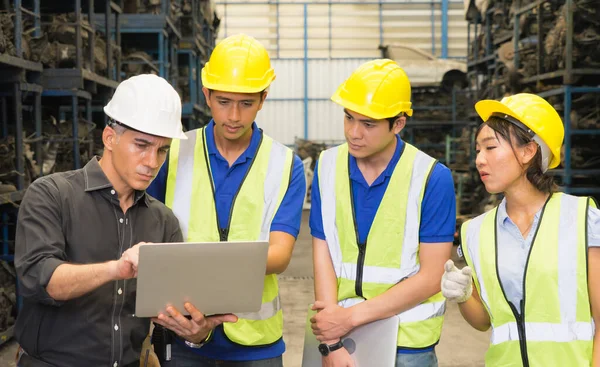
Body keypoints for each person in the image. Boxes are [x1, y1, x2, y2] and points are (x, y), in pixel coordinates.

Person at [146, 33, 306, 367]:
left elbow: (279, 255)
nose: (233, 116)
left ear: (263, 98)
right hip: (184, 331)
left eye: (246, 103)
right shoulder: (173, 153)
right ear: (206, 94)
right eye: (223, 101)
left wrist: (197, 265)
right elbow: (147, 237)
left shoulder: (284, 164)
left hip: (255, 343)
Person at [13, 74, 189, 367]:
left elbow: (168, 308)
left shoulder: (163, 221)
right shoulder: (51, 195)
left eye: (162, 150)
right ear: (110, 138)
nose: (152, 161)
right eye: (141, 145)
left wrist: (195, 329)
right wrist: (116, 269)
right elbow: (42, 280)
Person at [308, 59, 456, 367]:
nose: (354, 133)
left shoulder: (431, 177)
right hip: (342, 339)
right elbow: (323, 254)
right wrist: (331, 341)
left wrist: (347, 319)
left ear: (398, 123)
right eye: (348, 118)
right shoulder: (327, 165)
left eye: (369, 124)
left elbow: (431, 276)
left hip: (408, 344)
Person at [441, 93, 600, 366]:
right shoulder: (476, 232)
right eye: (478, 150)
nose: (479, 159)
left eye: (490, 148)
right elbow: (484, 323)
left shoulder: (582, 218)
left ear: (528, 151)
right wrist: (464, 296)